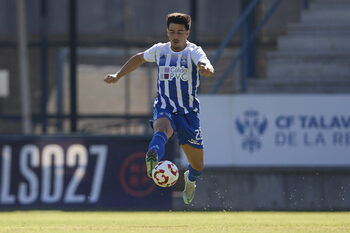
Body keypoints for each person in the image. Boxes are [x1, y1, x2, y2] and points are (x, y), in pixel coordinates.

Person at [104, 12, 214, 204]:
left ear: (187, 33)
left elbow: (205, 63)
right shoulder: (160, 50)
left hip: (188, 114)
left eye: (180, 32)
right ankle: (153, 156)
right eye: (172, 32)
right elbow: (139, 58)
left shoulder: (193, 52)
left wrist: (206, 69)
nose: (175, 36)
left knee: (198, 165)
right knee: (162, 128)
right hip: (164, 106)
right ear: (167, 32)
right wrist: (118, 75)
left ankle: (190, 179)